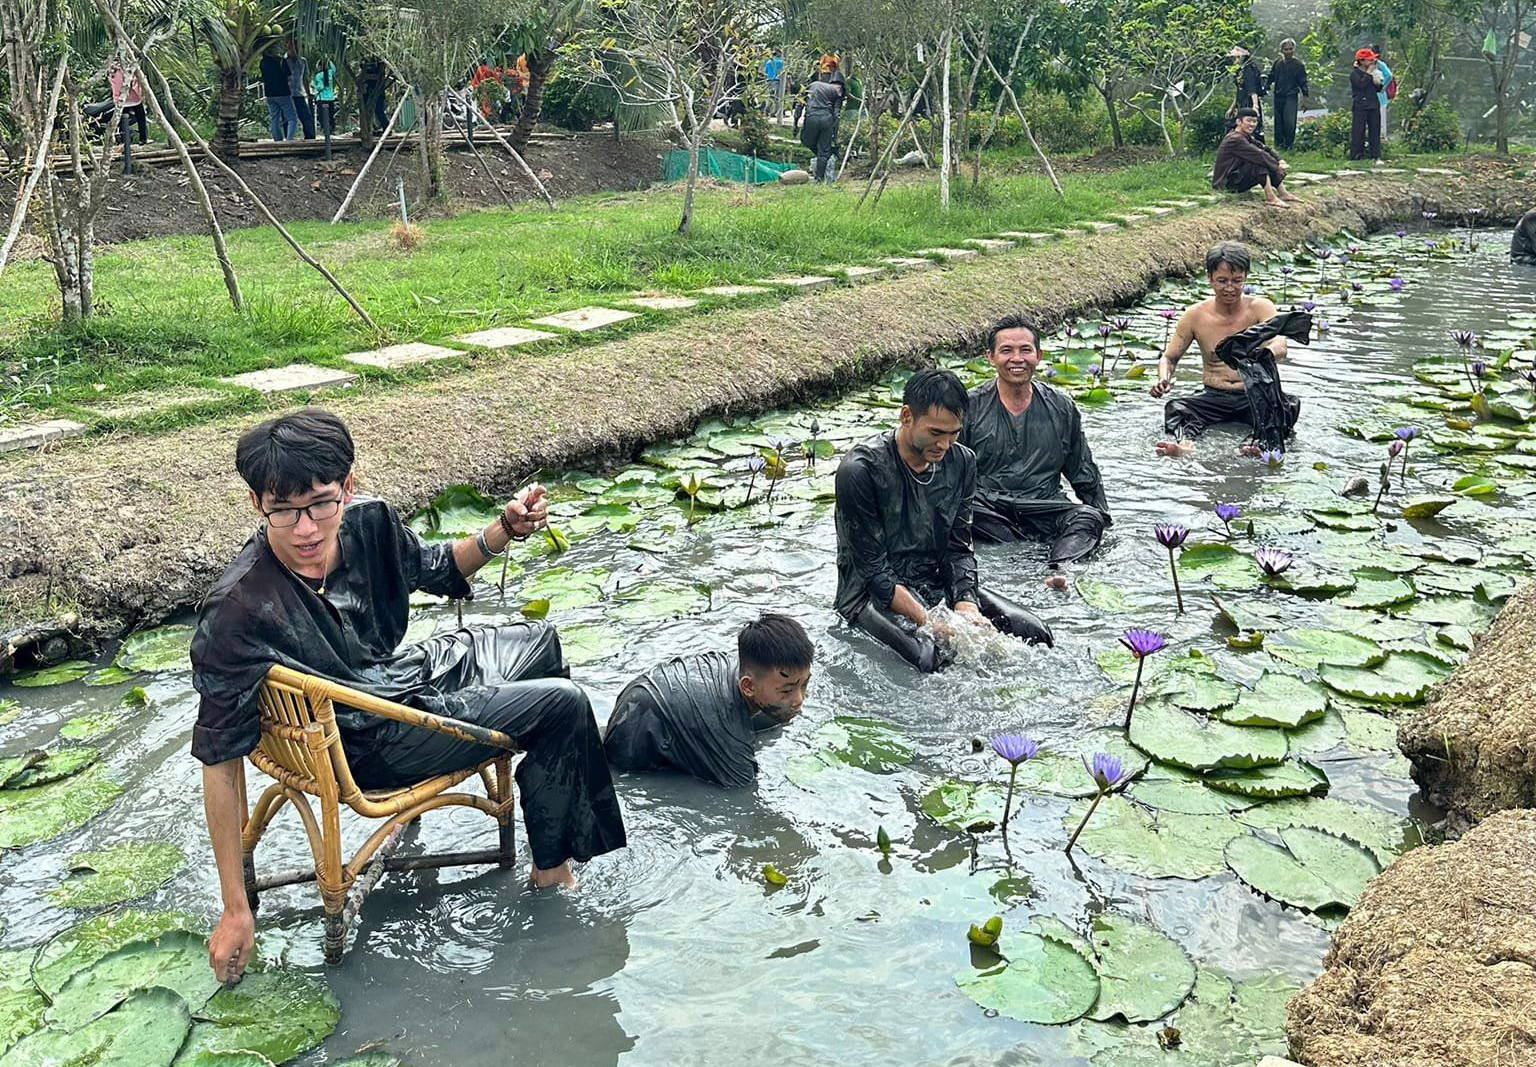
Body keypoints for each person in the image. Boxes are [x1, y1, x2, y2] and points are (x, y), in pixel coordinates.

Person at [191, 409, 626, 984]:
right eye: (284, 511)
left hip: (399, 680)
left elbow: (437, 566)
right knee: (564, 704)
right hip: (366, 739)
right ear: (257, 504)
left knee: (541, 642)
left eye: (321, 503)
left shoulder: (369, 522)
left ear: (347, 487)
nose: (305, 529)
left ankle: (551, 810)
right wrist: (234, 908)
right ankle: (551, 873)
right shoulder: (237, 609)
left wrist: (503, 530)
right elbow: (220, 763)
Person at [833, 369, 1053, 673]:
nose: (945, 445)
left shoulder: (962, 462)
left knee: (1034, 632)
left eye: (954, 433)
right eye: (936, 433)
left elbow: (959, 548)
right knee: (930, 657)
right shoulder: (860, 470)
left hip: (935, 580)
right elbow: (873, 571)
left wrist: (966, 606)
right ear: (906, 416)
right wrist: (928, 620)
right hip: (870, 594)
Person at [959, 315, 1111, 571]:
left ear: (1038, 355)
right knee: (960, 510)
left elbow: (1082, 470)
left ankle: (1059, 567)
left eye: (1025, 350)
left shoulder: (1062, 407)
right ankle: (1024, 552)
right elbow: (949, 470)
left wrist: (1101, 517)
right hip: (988, 509)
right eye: (1006, 350)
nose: (1016, 359)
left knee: (1088, 517)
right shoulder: (969, 406)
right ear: (991, 357)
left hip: (1044, 506)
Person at [603, 615, 814, 787]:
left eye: (804, 685)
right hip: (632, 748)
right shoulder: (728, 734)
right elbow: (742, 801)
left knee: (773, 720)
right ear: (748, 686)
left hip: (648, 698)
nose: (799, 699)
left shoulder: (746, 669)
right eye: (786, 691)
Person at [1151, 241, 1303, 455]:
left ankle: (1255, 446)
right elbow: (1169, 357)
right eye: (1222, 281)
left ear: (1245, 278)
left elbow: (1280, 345)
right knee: (1177, 409)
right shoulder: (1195, 315)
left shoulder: (1260, 307)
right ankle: (1185, 446)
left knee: (1287, 406)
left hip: (1253, 394)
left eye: (1236, 281)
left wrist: (1266, 353)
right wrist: (1163, 379)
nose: (1229, 288)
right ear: (1210, 278)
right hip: (1214, 396)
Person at [1212, 109, 1297, 207]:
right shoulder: (1235, 139)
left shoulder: (1245, 136)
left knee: (1265, 160)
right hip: (1226, 184)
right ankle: (1271, 198)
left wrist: (1280, 160)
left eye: (1254, 121)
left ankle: (1283, 193)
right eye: (1248, 120)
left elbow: (1265, 149)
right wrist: (1277, 166)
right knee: (1260, 164)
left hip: (1237, 177)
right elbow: (1259, 154)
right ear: (1238, 122)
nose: (1252, 124)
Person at [799, 69, 844, 182]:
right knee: (823, 152)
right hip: (827, 119)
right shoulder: (836, 93)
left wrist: (796, 122)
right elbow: (836, 114)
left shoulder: (812, 86)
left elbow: (800, 104)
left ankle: (822, 160)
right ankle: (819, 178)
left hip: (812, 117)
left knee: (806, 141)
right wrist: (834, 133)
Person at [1269, 38, 1309, 151]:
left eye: (1290, 49)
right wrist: (1265, 87)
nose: (1288, 52)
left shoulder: (1298, 65)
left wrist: (1305, 100)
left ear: (1294, 50)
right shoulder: (1277, 63)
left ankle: (1289, 145)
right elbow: (1271, 76)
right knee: (1278, 122)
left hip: (1291, 96)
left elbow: (1303, 83)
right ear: (1281, 50)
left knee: (1289, 122)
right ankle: (1279, 145)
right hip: (1278, 95)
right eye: (1286, 49)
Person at [1349, 48, 1384, 162]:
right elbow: (1361, 85)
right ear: (1362, 61)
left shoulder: (1374, 73)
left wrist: (1377, 81)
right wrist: (1368, 73)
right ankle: (1356, 155)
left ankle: (1375, 155)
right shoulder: (1355, 74)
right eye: (1369, 60)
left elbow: (1379, 88)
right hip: (1360, 105)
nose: (1372, 62)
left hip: (1373, 104)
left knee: (1375, 130)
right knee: (1358, 131)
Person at [259, 46, 296, 141]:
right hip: (283, 92)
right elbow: (289, 77)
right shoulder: (281, 61)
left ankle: (277, 140)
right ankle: (289, 140)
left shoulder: (263, 62)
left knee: (274, 118)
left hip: (270, 93)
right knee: (291, 118)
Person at [107, 60, 148, 145]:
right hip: (133, 98)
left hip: (122, 99)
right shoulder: (131, 68)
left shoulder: (113, 70)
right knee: (141, 118)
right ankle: (142, 139)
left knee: (122, 121)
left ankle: (124, 141)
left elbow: (113, 84)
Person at [1229, 45, 1265, 139]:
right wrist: (1232, 107)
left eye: (1237, 57)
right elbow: (1239, 90)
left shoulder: (1249, 69)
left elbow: (1252, 89)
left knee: (1249, 127)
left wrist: (1255, 106)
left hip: (1248, 102)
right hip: (1240, 102)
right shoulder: (1240, 70)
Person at [286, 39, 314, 140]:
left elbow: (305, 78)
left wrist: (308, 92)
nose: (294, 49)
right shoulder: (283, 61)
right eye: (292, 47)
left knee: (306, 116)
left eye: (296, 47)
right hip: (287, 94)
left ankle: (310, 137)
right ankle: (288, 138)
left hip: (299, 93)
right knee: (288, 118)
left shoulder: (302, 61)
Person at [311, 56, 338, 140]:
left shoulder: (318, 76)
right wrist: (328, 60)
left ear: (319, 66)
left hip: (322, 98)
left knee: (322, 116)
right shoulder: (330, 73)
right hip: (330, 97)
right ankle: (332, 128)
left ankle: (324, 129)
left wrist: (313, 85)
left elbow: (320, 87)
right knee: (331, 114)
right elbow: (334, 68)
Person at [1374, 44, 1394, 144]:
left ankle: (1381, 142)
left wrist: (1381, 86)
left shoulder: (1379, 64)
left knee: (1380, 121)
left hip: (1379, 97)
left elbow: (1389, 75)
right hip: (1376, 98)